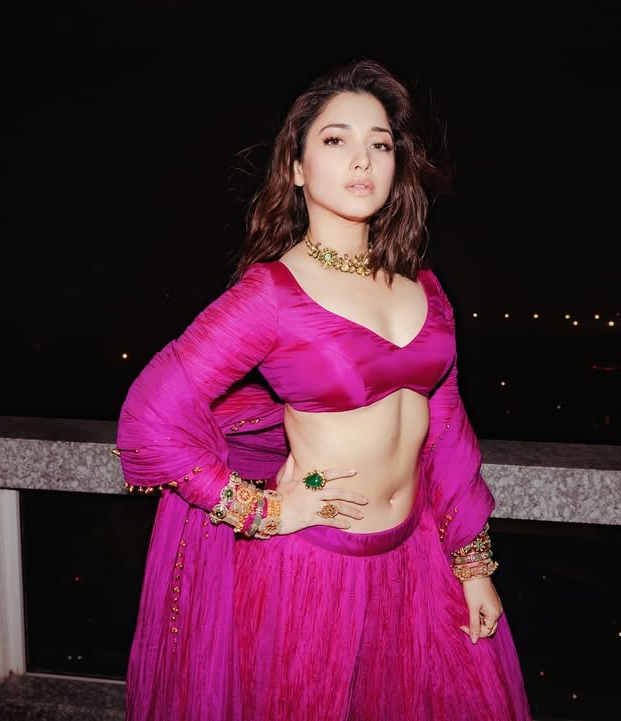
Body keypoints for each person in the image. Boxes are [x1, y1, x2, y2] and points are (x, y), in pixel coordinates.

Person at [114, 58, 531, 721]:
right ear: (297, 168)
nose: (363, 159)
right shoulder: (271, 294)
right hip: (312, 570)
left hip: (418, 563)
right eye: (337, 140)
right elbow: (150, 415)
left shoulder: (426, 290)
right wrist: (260, 511)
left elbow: (448, 432)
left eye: (381, 144)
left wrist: (472, 565)